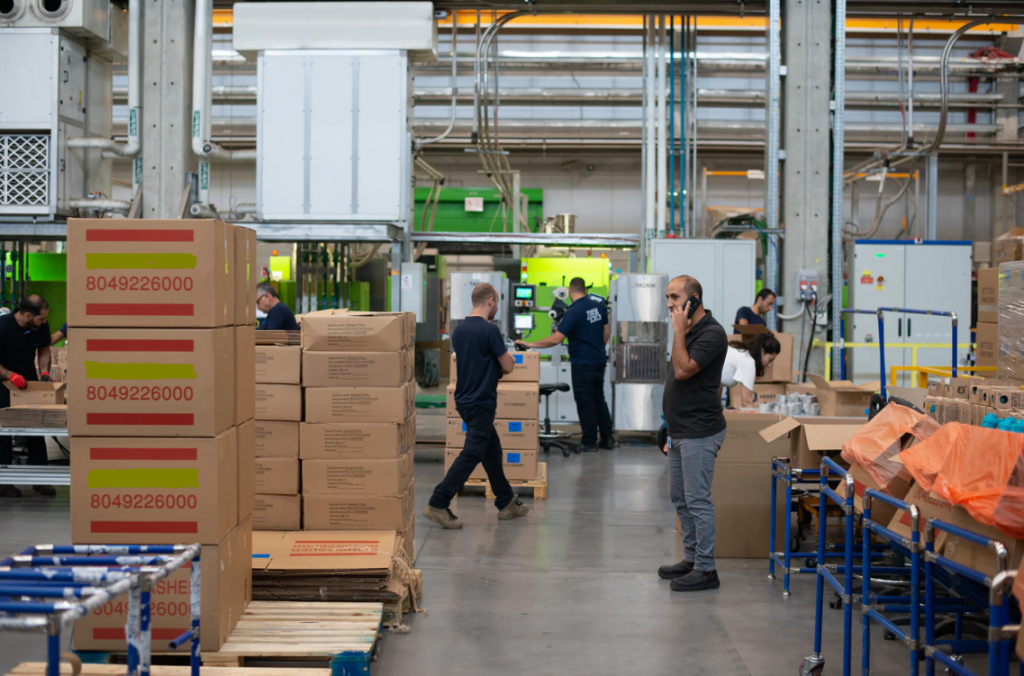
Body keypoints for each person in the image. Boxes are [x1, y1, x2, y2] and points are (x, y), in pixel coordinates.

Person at [424, 283, 529, 528]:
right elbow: (508, 366)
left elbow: (475, 362)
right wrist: (508, 358)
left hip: (464, 400)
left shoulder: (459, 331)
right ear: (491, 301)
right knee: (472, 453)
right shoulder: (489, 331)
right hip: (481, 401)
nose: (496, 308)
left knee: (492, 452)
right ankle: (438, 503)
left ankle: (506, 503)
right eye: (497, 304)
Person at [658, 275, 728, 592]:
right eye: (668, 298)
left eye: (674, 297)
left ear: (694, 299)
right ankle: (691, 560)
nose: (670, 303)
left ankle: (706, 569)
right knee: (681, 499)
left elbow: (684, 369)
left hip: (700, 431)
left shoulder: (712, 334)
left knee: (698, 500)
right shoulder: (687, 331)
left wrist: (677, 331)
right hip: (679, 430)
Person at [514, 277, 613, 452]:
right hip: (598, 361)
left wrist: (530, 344)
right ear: (584, 289)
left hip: (582, 363)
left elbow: (557, 338)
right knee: (599, 400)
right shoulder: (599, 307)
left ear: (569, 290)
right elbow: (606, 332)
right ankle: (607, 439)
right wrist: (596, 348)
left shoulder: (573, 311)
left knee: (585, 402)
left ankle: (589, 443)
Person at [0, 296, 56, 498]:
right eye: (41, 318)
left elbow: (44, 350)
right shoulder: (2, 326)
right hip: (3, 381)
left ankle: (40, 479)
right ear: (27, 315)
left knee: (36, 427)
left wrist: (44, 372)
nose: (44, 322)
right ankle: (4, 482)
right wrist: (10, 375)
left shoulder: (40, 326)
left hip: (28, 381)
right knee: (4, 431)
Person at [722, 333, 782, 408]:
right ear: (762, 352)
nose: (769, 365)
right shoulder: (748, 361)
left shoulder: (740, 352)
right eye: (770, 360)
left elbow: (716, 379)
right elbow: (746, 402)